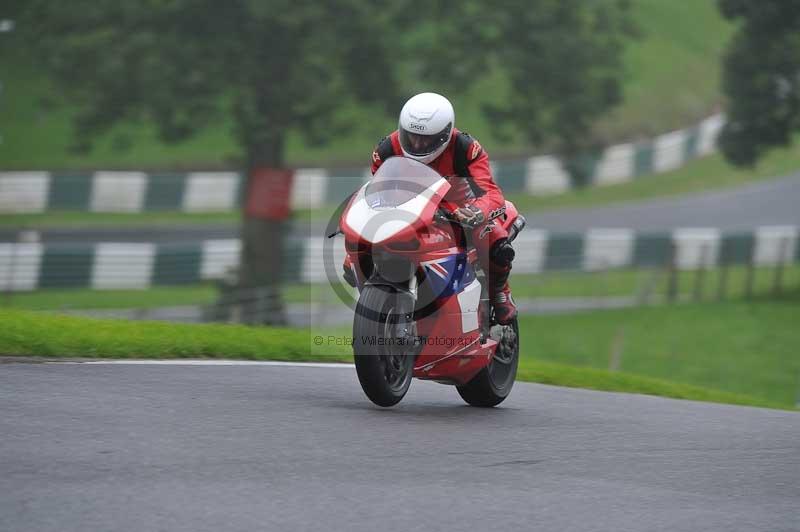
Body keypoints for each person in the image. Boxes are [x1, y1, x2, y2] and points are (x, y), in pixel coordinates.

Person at [348, 91, 517, 325]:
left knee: (493, 238)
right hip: (410, 212)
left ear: (445, 134)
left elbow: (490, 191)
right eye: (412, 137)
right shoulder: (386, 150)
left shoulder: (465, 149)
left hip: (459, 214)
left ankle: (500, 292)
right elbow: (378, 191)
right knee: (357, 250)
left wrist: (477, 211)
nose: (417, 144)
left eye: (426, 139)